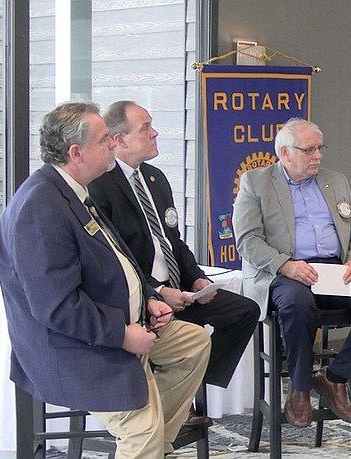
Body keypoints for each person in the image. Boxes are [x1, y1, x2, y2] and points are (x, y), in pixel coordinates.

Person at [0, 101, 211, 458]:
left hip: (117, 325)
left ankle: (160, 443)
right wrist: (123, 335)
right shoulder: (41, 207)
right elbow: (57, 308)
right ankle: (150, 441)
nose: (113, 144)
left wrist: (148, 298)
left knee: (193, 343)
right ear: (76, 152)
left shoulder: (73, 190)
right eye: (103, 139)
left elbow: (116, 260)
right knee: (142, 431)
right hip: (73, 346)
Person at [89, 101, 260, 413]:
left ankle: (188, 389)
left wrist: (196, 278)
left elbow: (173, 241)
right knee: (186, 335)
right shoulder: (100, 187)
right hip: (144, 298)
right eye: (145, 129)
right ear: (120, 139)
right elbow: (114, 259)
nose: (155, 133)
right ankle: (181, 397)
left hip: (177, 288)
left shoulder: (154, 178)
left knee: (244, 311)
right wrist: (158, 290)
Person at [232, 118, 351, 428]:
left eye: (320, 148)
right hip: (284, 273)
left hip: (332, 271)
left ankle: (334, 377)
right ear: (284, 153)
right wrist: (286, 265)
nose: (318, 156)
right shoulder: (256, 182)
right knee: (297, 304)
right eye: (309, 150)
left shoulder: (335, 181)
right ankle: (298, 388)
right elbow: (247, 240)